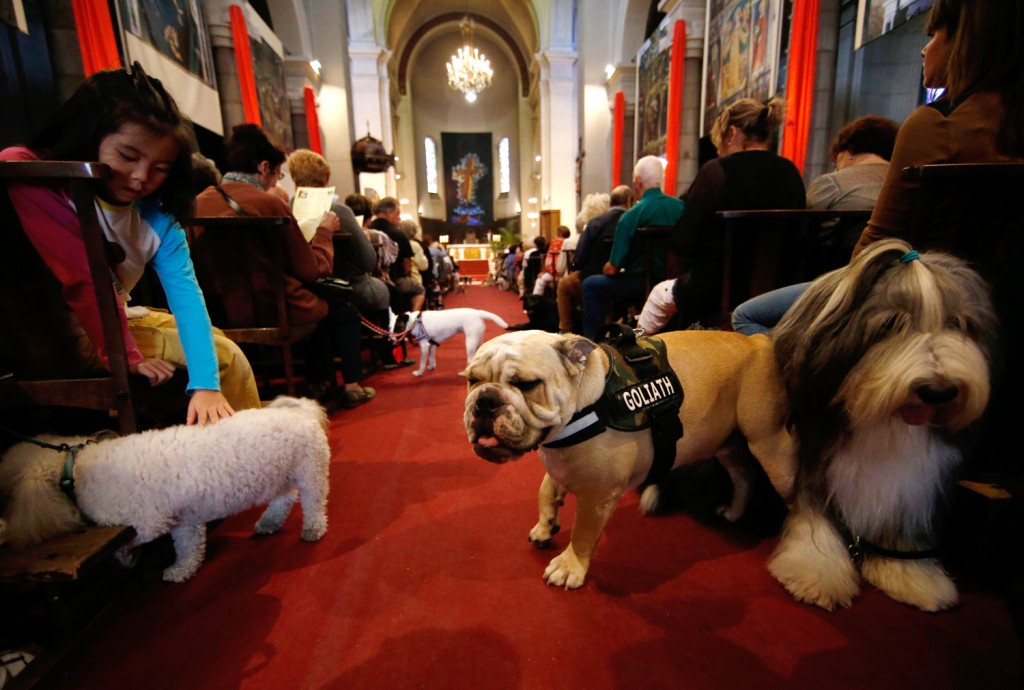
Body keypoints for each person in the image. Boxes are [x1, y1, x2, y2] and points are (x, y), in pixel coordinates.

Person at [1, 63, 259, 425]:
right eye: (127, 156)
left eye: (160, 168)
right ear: (89, 135)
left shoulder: (158, 218)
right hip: (61, 337)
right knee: (226, 356)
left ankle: (248, 460)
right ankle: (252, 462)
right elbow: (83, 276)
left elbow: (188, 298)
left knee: (215, 345)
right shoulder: (42, 181)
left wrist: (205, 384)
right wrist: (126, 355)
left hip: (114, 325)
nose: (141, 177)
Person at [195, 124, 375, 408]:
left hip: (220, 312)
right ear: (264, 166)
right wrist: (325, 231)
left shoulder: (199, 203)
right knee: (339, 310)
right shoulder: (268, 204)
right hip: (277, 308)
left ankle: (308, 384)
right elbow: (312, 270)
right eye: (278, 174)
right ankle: (333, 386)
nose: (275, 181)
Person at [636, 98, 805, 335]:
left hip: (716, 292)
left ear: (732, 133)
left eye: (720, 141)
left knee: (658, 296)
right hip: (779, 291)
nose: (719, 149)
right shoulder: (791, 172)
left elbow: (683, 241)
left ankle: (636, 356)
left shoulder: (716, 171)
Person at [730, 115, 899, 335]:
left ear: (847, 152)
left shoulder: (833, 183)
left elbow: (797, 237)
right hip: (898, 284)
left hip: (836, 287)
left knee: (745, 315)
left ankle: (792, 359)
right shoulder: (904, 182)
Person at [581, 156, 684, 338]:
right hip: (678, 281)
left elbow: (613, 269)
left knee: (590, 285)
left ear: (637, 182)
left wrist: (606, 266)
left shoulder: (631, 215)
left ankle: (596, 342)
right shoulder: (682, 208)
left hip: (640, 284)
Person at [286, 149, 390, 318]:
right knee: (384, 289)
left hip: (303, 290)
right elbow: (368, 261)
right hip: (348, 287)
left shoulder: (287, 210)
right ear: (326, 179)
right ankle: (386, 341)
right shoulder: (339, 212)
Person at [556, 187, 631, 333]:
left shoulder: (594, 224)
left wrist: (575, 265)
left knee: (564, 285)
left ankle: (566, 331)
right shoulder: (630, 220)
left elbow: (579, 258)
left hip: (593, 277)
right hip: (625, 278)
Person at [369, 197, 425, 313]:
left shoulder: (367, 229)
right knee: (419, 290)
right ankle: (412, 319)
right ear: (389, 213)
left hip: (370, 279)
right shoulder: (398, 234)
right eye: (398, 213)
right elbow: (407, 267)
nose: (399, 218)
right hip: (395, 280)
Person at [532, 225, 571, 296]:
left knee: (540, 280)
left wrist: (544, 272)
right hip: (569, 273)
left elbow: (549, 261)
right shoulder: (571, 242)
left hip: (556, 274)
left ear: (559, 233)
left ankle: (535, 301)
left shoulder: (555, 243)